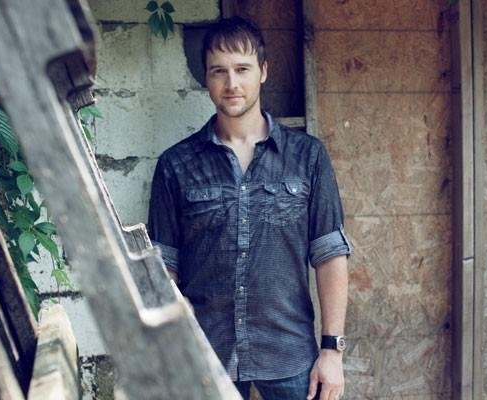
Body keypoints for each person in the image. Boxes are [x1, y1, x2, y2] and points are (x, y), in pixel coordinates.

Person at [148, 16, 351, 400]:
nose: (231, 83)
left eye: (242, 69)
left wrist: (332, 350)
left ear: (263, 71)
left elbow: (330, 255)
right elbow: (163, 269)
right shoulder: (176, 165)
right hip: (206, 356)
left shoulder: (307, 157)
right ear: (205, 78)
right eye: (219, 71)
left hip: (290, 355)